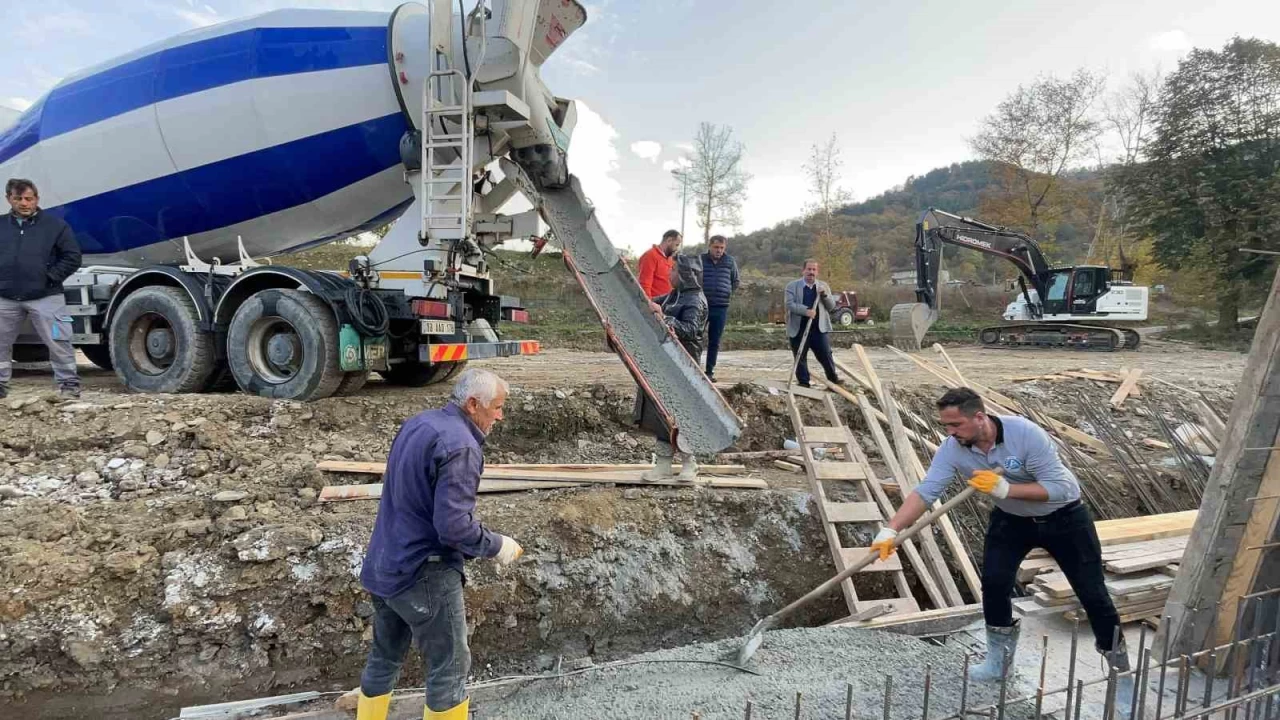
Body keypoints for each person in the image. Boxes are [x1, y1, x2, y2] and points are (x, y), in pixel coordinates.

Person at [871, 388, 1129, 692]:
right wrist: (892, 529)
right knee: (994, 583)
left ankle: (1119, 668)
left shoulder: (1025, 434)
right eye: (946, 427)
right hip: (1012, 520)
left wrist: (1005, 489)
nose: (950, 433)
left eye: (956, 425)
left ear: (979, 417)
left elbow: (1060, 487)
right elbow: (928, 490)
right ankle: (998, 661)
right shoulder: (953, 447)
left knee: (1092, 591)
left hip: (1064, 518)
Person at [354, 368, 524, 720]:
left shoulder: (419, 423)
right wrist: (497, 545)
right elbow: (454, 528)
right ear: (473, 404)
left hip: (384, 563)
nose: (500, 415)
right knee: (449, 666)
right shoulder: (461, 446)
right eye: (496, 407)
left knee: (385, 655)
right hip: (424, 573)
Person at [0, 178, 82, 399]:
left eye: (29, 198)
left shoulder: (55, 226)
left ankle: (69, 387)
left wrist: (49, 277)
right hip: (5, 297)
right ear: (9, 199)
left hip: (46, 296)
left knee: (59, 342)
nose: (24, 203)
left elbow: (72, 257)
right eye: (18, 198)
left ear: (37, 199)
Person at [636, 254, 707, 482]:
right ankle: (664, 464)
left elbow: (690, 329)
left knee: (683, 413)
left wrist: (663, 316)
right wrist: (643, 301)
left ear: (685, 274)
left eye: (674, 270)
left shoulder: (696, 300)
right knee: (660, 414)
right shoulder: (675, 295)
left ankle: (689, 464)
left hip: (683, 366)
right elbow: (655, 301)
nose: (670, 273)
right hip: (664, 364)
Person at [784, 259, 840, 388]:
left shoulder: (823, 286)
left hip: (818, 329)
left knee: (826, 355)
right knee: (800, 357)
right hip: (798, 328)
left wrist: (824, 295)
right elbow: (789, 304)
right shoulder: (791, 286)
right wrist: (806, 311)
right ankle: (804, 383)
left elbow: (831, 307)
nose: (811, 272)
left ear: (817, 272)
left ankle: (833, 381)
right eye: (809, 269)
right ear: (803, 270)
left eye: (814, 270)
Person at [700, 234, 740, 382]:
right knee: (695, 337)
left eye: (722, 248)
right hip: (701, 306)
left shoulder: (730, 261)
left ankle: (709, 371)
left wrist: (726, 292)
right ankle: (693, 368)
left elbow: (735, 281)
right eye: (716, 247)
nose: (719, 250)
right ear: (710, 246)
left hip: (721, 307)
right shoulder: (701, 260)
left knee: (714, 340)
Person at [636, 229, 681, 298]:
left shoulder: (670, 259)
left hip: (667, 303)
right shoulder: (650, 256)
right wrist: (649, 304)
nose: (677, 248)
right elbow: (644, 284)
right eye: (676, 245)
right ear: (669, 240)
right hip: (655, 303)